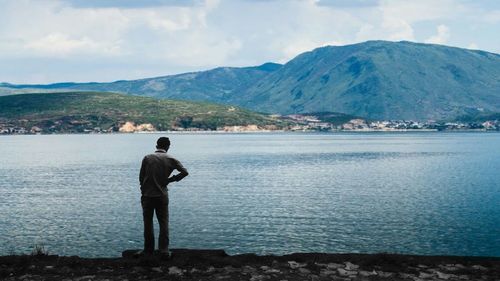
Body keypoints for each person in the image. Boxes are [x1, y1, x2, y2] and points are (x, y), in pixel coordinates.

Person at [139, 137, 188, 256]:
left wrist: (143, 189)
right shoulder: (171, 159)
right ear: (168, 146)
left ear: (156, 146)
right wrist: (171, 180)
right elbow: (185, 172)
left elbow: (141, 176)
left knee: (148, 223)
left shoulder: (147, 158)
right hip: (162, 194)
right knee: (163, 222)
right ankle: (164, 250)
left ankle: (148, 249)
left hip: (147, 195)